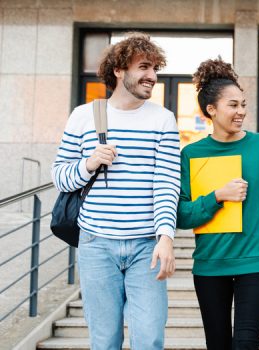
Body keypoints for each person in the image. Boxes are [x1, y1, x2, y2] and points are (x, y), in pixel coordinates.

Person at [51, 32, 180, 349]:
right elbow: (60, 177)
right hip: (96, 245)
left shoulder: (163, 119)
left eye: (154, 69)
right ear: (119, 70)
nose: (151, 76)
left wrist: (166, 236)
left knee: (149, 339)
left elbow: (166, 182)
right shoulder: (83, 116)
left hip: (146, 247)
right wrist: (89, 163)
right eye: (144, 67)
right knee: (104, 340)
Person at [177, 58, 259, 350]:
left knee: (246, 343)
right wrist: (216, 197)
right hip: (211, 264)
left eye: (243, 104)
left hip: (256, 260)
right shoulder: (191, 153)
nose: (241, 112)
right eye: (233, 105)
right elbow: (181, 214)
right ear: (211, 110)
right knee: (217, 344)